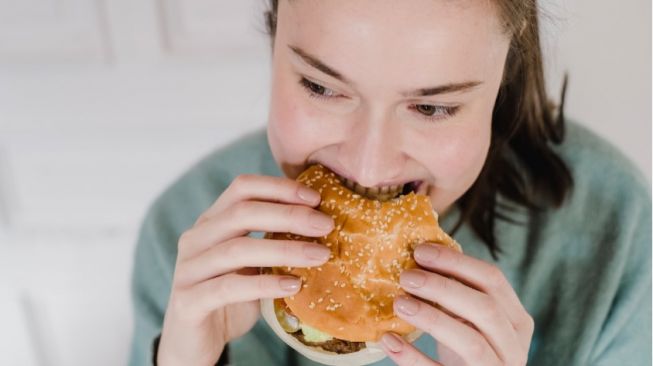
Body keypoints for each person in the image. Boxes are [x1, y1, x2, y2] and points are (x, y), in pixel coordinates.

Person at [128, 0, 651, 365]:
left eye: (432, 106)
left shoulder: (617, 231)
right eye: (319, 86)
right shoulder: (188, 233)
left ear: (505, 76)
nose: (370, 167)